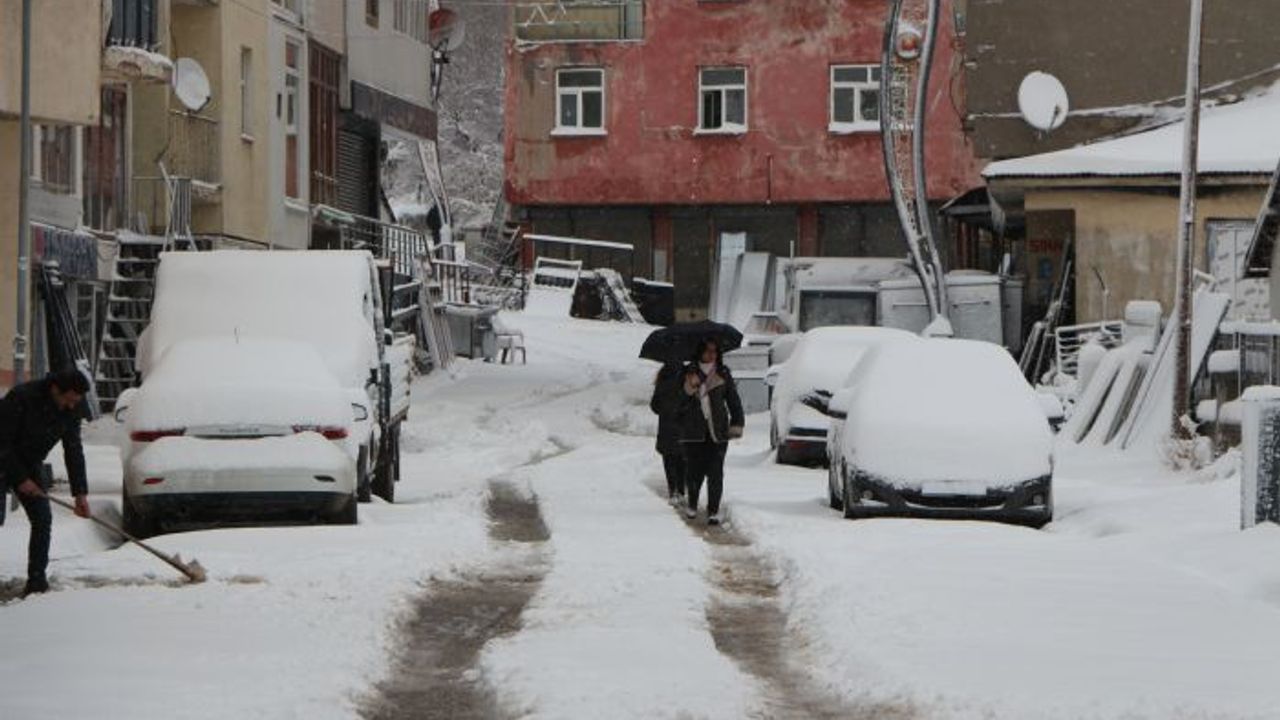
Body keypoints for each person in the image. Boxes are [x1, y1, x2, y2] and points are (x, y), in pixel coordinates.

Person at [0, 370, 91, 597]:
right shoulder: (21, 397)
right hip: (2, 457)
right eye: (68, 400)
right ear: (54, 390)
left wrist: (80, 493)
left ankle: (37, 583)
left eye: (76, 402)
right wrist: (20, 479)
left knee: (42, 519)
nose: (71, 406)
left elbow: (73, 449)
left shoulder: (72, 406)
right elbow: (2, 442)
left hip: (31, 462)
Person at [677, 339, 744, 526]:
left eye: (715, 351)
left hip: (718, 431)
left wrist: (737, 423)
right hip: (693, 431)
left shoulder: (723, 373)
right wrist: (689, 388)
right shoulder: (687, 372)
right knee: (694, 471)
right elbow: (677, 402)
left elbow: (733, 400)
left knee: (716, 472)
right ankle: (692, 504)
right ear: (700, 352)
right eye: (708, 351)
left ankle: (713, 510)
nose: (711, 354)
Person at [650, 362, 686, 506]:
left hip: (667, 426)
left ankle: (673, 491)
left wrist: (666, 410)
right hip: (683, 425)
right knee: (682, 459)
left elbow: (654, 405)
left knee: (669, 459)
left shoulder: (663, 378)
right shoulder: (687, 375)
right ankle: (682, 490)